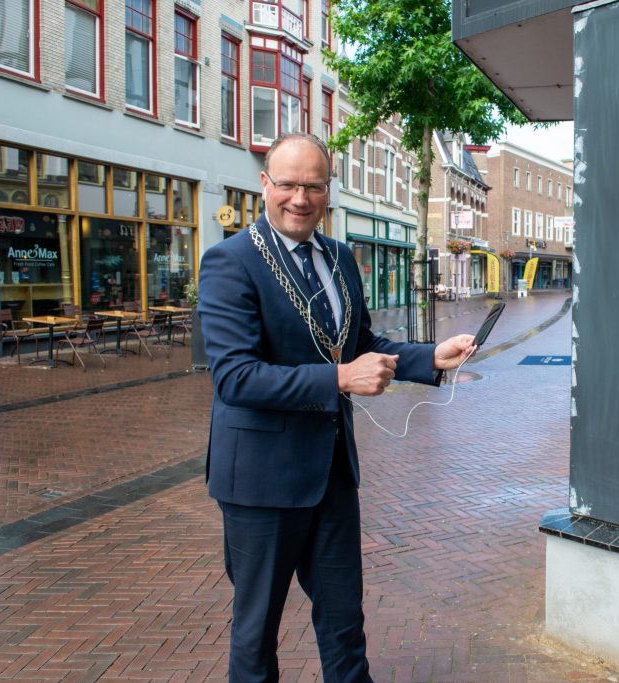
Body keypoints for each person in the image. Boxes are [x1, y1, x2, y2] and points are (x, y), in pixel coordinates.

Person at [198, 132, 475, 683]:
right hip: (261, 483)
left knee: (345, 623)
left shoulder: (341, 257)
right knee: (256, 634)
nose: (300, 199)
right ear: (264, 184)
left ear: (330, 191)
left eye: (314, 187)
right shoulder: (230, 262)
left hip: (331, 474)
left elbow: (360, 343)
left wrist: (429, 357)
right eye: (288, 185)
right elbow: (235, 377)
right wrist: (341, 378)